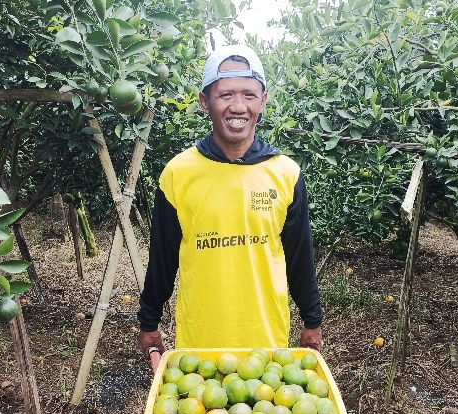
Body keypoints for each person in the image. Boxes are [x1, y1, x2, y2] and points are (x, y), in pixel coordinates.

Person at [137, 44, 322, 357]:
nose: (238, 106)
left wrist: (312, 319)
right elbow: (162, 259)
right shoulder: (178, 174)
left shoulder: (285, 173)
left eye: (249, 95)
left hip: (266, 341)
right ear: (205, 102)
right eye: (226, 95)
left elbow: (300, 256)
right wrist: (149, 320)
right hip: (199, 344)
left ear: (263, 101)